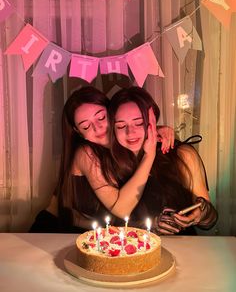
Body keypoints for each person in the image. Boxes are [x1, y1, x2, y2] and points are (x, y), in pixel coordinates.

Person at [30, 84, 174, 233]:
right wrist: (150, 155)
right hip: (55, 232)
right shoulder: (86, 153)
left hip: (97, 236)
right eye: (86, 126)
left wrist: (154, 128)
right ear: (78, 132)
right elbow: (122, 210)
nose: (98, 128)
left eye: (101, 117)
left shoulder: (121, 145)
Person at [108, 86, 218, 235]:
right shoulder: (108, 160)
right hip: (129, 251)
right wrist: (151, 226)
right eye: (121, 126)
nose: (130, 132)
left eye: (139, 123)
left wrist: (200, 213)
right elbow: (111, 224)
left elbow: (210, 219)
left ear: (152, 121)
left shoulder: (181, 155)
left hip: (182, 249)